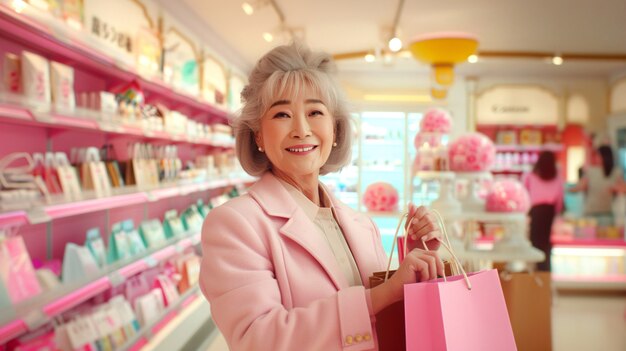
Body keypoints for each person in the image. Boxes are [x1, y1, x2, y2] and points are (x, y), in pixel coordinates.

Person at [199, 42, 443, 351]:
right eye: (281, 114)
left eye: (315, 112)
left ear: (336, 129)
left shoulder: (361, 225)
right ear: (258, 134)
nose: (301, 130)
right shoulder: (234, 224)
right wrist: (378, 296)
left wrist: (416, 260)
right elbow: (257, 340)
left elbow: (387, 321)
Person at [523, 151, 563, 271]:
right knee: (545, 244)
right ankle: (545, 272)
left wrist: (526, 213)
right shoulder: (557, 177)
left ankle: (535, 274)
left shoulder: (531, 176)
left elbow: (524, 194)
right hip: (549, 212)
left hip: (535, 211)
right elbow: (559, 199)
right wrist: (557, 212)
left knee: (534, 243)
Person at [568, 144, 624, 217]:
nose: (596, 158)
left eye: (598, 155)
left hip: (607, 212)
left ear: (605, 157)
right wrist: (568, 189)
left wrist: (616, 188)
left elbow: (623, 188)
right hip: (591, 212)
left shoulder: (616, 172)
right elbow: (580, 186)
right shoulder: (591, 171)